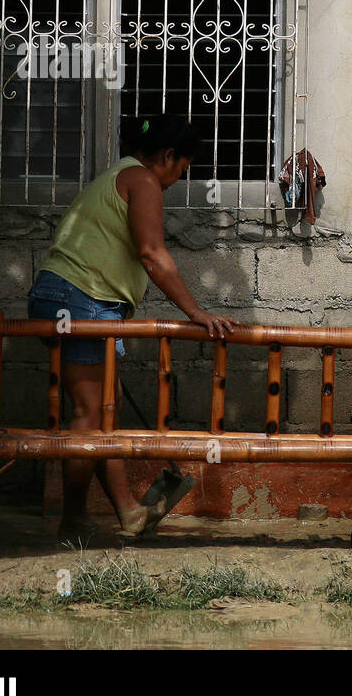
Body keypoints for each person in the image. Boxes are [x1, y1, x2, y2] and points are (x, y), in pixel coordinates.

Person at [27, 114, 238, 541]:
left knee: (106, 409)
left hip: (67, 296)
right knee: (91, 413)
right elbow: (152, 253)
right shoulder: (142, 180)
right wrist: (195, 311)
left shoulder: (118, 174)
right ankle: (74, 520)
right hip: (81, 298)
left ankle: (127, 512)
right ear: (168, 155)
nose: (179, 178)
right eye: (183, 167)